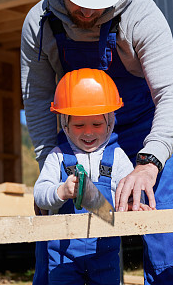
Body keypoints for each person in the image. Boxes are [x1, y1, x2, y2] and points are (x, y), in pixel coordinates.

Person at [21, 0, 173, 284]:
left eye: (98, 6)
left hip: (146, 133)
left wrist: (149, 162)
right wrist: (49, 164)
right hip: (78, 135)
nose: (88, 14)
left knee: (166, 236)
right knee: (61, 234)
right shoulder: (38, 24)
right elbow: (36, 98)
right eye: (80, 3)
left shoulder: (142, 15)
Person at [34, 68, 150, 284]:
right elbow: (40, 195)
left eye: (96, 124)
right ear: (65, 124)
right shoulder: (57, 157)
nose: (88, 132)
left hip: (104, 254)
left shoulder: (117, 157)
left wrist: (135, 202)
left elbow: (128, 189)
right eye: (79, 125)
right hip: (62, 257)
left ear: (110, 122)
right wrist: (60, 191)